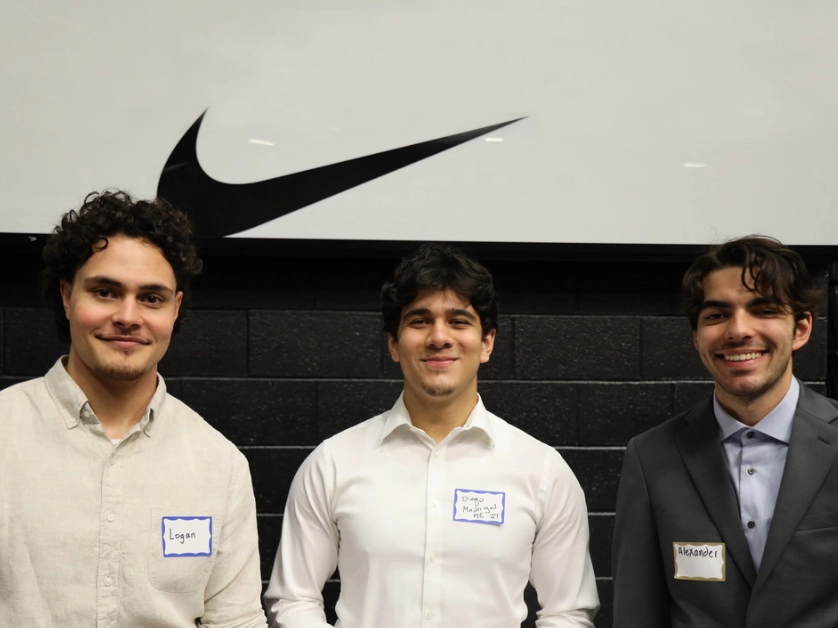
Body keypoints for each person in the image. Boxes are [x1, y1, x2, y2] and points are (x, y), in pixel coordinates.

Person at [264, 243, 599, 627]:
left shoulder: (542, 471)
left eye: (458, 321)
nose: (439, 337)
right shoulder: (333, 463)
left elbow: (568, 612)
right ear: (393, 343)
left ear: (487, 342)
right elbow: (293, 599)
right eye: (419, 321)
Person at [0, 191, 267, 627]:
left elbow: (236, 621)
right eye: (105, 291)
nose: (128, 316)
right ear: (67, 297)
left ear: (175, 309)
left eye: (151, 298)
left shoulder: (219, 465)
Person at [612, 235, 838, 628]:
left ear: (801, 329)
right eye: (717, 315)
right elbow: (637, 610)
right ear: (697, 337)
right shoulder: (652, 457)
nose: (739, 330)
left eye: (763, 310)